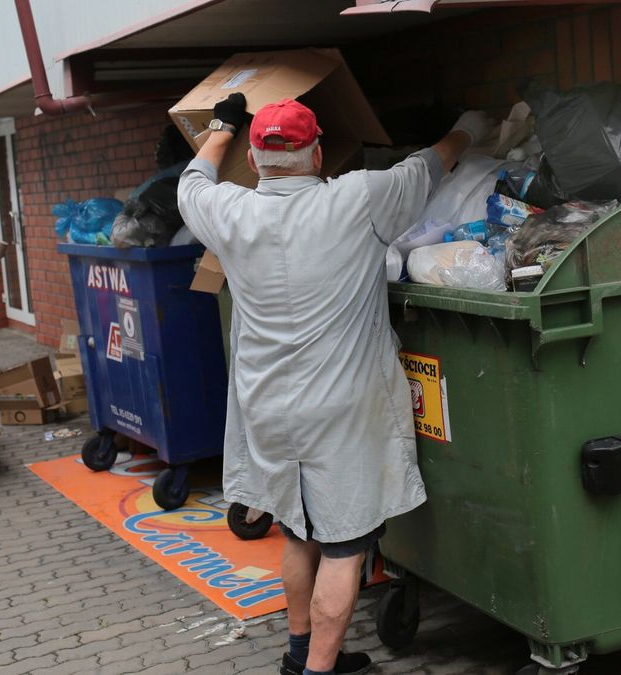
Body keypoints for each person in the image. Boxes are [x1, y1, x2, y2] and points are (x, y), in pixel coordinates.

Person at [178, 93, 494, 675]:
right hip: (344, 412)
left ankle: (299, 657)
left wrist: (222, 125)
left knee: (299, 530)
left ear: (255, 158)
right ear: (318, 152)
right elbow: (432, 162)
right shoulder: (361, 198)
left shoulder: (225, 209)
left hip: (266, 406)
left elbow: (193, 175)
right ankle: (319, 671)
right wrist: (470, 127)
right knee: (345, 546)